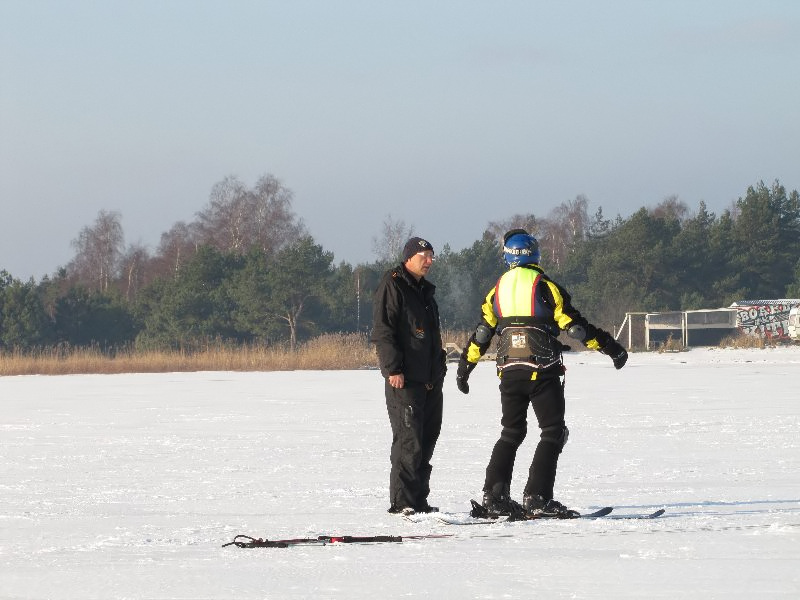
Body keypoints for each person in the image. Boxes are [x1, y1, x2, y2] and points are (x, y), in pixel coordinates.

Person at [455, 229, 627, 518]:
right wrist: (612, 349)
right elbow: (576, 328)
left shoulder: (496, 289)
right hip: (542, 370)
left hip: (508, 372)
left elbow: (483, 333)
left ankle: (494, 496)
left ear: (507, 256)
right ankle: (537, 497)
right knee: (553, 431)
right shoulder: (545, 285)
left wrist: (464, 368)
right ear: (534, 254)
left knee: (511, 432)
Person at [372, 236, 448, 514]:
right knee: (409, 439)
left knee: (427, 438)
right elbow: (384, 330)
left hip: (430, 378)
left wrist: (439, 367)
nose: (429, 261)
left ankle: (418, 499)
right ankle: (403, 502)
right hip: (405, 379)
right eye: (424, 256)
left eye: (431, 256)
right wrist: (393, 368)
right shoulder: (393, 284)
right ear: (409, 257)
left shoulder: (424, 290)